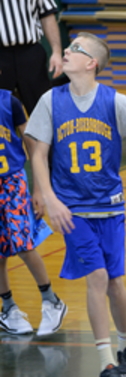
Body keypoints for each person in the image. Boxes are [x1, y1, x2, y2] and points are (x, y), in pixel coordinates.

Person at [25, 32, 126, 377]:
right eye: (68, 46)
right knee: (98, 276)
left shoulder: (114, 101)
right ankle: (105, 367)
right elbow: (38, 154)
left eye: (75, 49)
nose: (66, 52)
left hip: (111, 206)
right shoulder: (51, 101)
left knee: (116, 282)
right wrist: (50, 198)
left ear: (91, 64)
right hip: (73, 210)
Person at [0, 88, 67, 336]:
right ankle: (8, 308)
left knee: (23, 245)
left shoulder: (9, 102)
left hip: (12, 182)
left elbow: (33, 144)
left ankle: (51, 300)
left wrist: (38, 189)